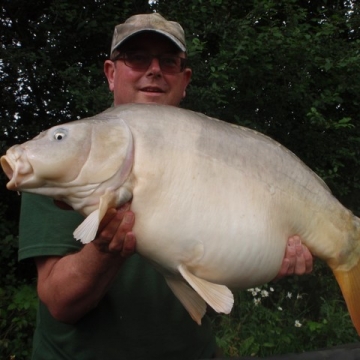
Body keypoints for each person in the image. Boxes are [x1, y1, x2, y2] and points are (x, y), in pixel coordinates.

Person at [18, 13, 313, 360]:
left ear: (184, 79)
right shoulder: (73, 156)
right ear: (111, 74)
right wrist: (104, 249)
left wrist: (268, 257)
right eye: (137, 57)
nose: (154, 69)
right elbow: (60, 304)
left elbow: (223, 261)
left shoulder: (220, 152)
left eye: (168, 61)